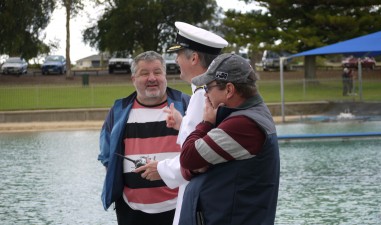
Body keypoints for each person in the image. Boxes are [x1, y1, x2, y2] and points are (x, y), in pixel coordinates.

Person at [134, 21, 228, 225]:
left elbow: (199, 159)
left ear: (194, 58)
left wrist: (160, 168)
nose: (175, 60)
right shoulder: (210, 91)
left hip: (201, 199)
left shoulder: (202, 96)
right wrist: (182, 123)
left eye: (178, 54)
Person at [179, 53, 280, 225]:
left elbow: (187, 157)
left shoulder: (243, 124)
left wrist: (205, 123)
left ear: (229, 90)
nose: (205, 95)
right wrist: (195, 166)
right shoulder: (248, 115)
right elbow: (189, 166)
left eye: (208, 88)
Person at [98, 50, 190, 225]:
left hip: (179, 208)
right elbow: (107, 156)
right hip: (131, 211)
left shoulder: (186, 104)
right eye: (144, 73)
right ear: (133, 79)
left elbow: (201, 150)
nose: (152, 78)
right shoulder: (118, 111)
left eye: (157, 72)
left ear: (165, 76)